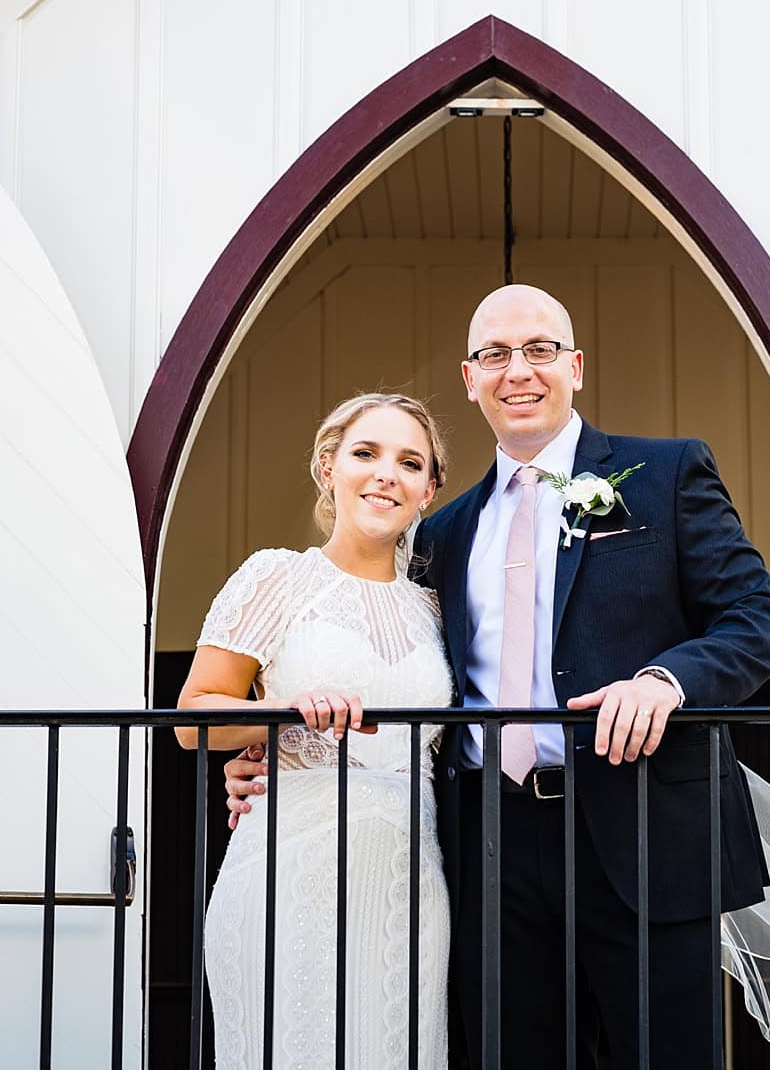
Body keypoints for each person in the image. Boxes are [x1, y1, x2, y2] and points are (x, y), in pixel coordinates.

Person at [227, 283, 770, 1067]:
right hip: (485, 845)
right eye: (495, 354)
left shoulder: (663, 474)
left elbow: (759, 617)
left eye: (539, 350)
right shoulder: (442, 533)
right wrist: (273, 746)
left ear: (576, 366)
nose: (517, 370)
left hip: (643, 830)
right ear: (470, 377)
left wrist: (666, 680)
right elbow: (385, 662)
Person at [180, 392, 455, 1069]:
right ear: (328, 468)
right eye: (366, 453)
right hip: (288, 869)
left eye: (409, 461)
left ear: (428, 491)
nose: (386, 472)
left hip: (407, 884)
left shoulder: (439, 608)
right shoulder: (278, 576)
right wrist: (284, 714)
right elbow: (193, 718)